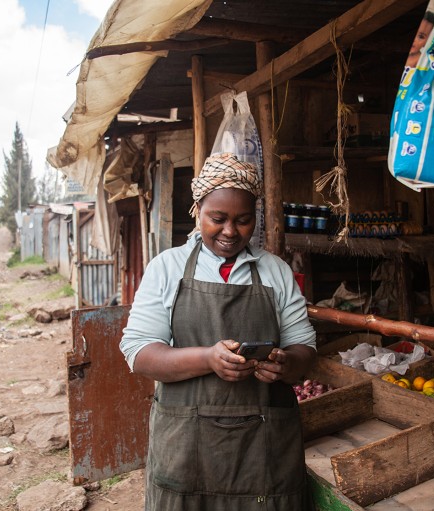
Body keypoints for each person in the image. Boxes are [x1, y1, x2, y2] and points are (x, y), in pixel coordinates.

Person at [120, 152, 317, 511]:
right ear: (197, 210)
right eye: (218, 219)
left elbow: (304, 347)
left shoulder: (275, 271)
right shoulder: (167, 268)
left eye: (243, 220)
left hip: (264, 448)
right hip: (186, 447)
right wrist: (209, 358)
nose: (230, 231)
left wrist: (287, 365)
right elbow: (140, 353)